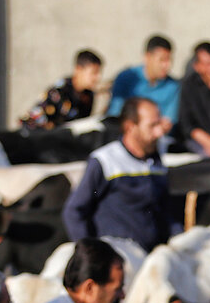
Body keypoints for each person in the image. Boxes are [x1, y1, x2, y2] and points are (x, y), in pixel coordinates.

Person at [64, 97, 171, 252]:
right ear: (130, 127)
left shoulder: (156, 162)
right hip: (118, 260)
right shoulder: (105, 161)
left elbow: (165, 212)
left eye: (159, 124)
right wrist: (89, 253)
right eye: (152, 126)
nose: (159, 132)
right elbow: (74, 210)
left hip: (150, 257)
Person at [19, 49, 103, 131]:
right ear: (78, 69)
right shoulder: (58, 93)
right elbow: (29, 122)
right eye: (94, 73)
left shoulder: (88, 95)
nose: (98, 78)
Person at [106, 35, 179, 126]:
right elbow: (115, 114)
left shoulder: (173, 86)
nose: (167, 65)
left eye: (170, 60)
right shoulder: (126, 78)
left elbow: (168, 122)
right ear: (147, 57)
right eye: (162, 60)